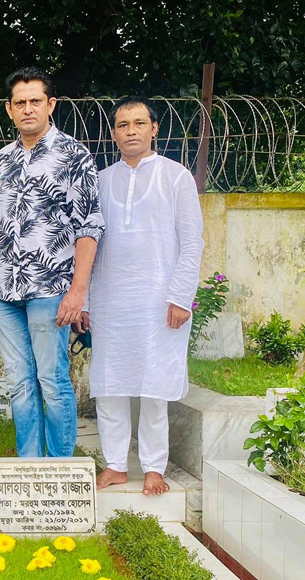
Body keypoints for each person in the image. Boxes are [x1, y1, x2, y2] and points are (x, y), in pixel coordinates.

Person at [77, 96, 204, 494]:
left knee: (154, 385)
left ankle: (153, 467)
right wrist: (84, 301)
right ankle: (115, 465)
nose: (130, 131)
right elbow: (87, 245)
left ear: (154, 129)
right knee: (109, 384)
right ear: (113, 133)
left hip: (159, 300)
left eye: (138, 123)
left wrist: (180, 296)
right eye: (122, 125)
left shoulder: (176, 176)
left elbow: (192, 241)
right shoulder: (100, 181)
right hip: (109, 300)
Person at [0, 67, 104, 458]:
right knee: (19, 382)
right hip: (6, 292)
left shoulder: (74, 155)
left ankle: (60, 466)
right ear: (9, 109)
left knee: (52, 380)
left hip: (51, 289)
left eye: (35, 101)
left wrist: (78, 293)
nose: (28, 109)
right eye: (20, 103)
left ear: (51, 104)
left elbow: (89, 228)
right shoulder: (1, 161)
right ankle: (28, 465)